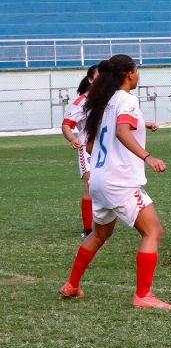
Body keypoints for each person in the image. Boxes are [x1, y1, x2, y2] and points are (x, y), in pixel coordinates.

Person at [59, 54, 171, 310]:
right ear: (129, 73)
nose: (138, 74)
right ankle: (143, 295)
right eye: (137, 70)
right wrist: (148, 157)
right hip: (120, 181)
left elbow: (89, 145)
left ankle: (72, 285)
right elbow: (122, 131)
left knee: (100, 233)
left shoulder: (101, 102)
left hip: (98, 180)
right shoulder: (126, 99)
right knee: (152, 232)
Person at [61, 65, 98, 240]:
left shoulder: (112, 99)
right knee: (90, 185)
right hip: (86, 148)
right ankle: (88, 229)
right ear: (90, 79)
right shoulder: (81, 102)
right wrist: (72, 139)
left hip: (107, 147)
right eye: (100, 76)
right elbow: (67, 124)